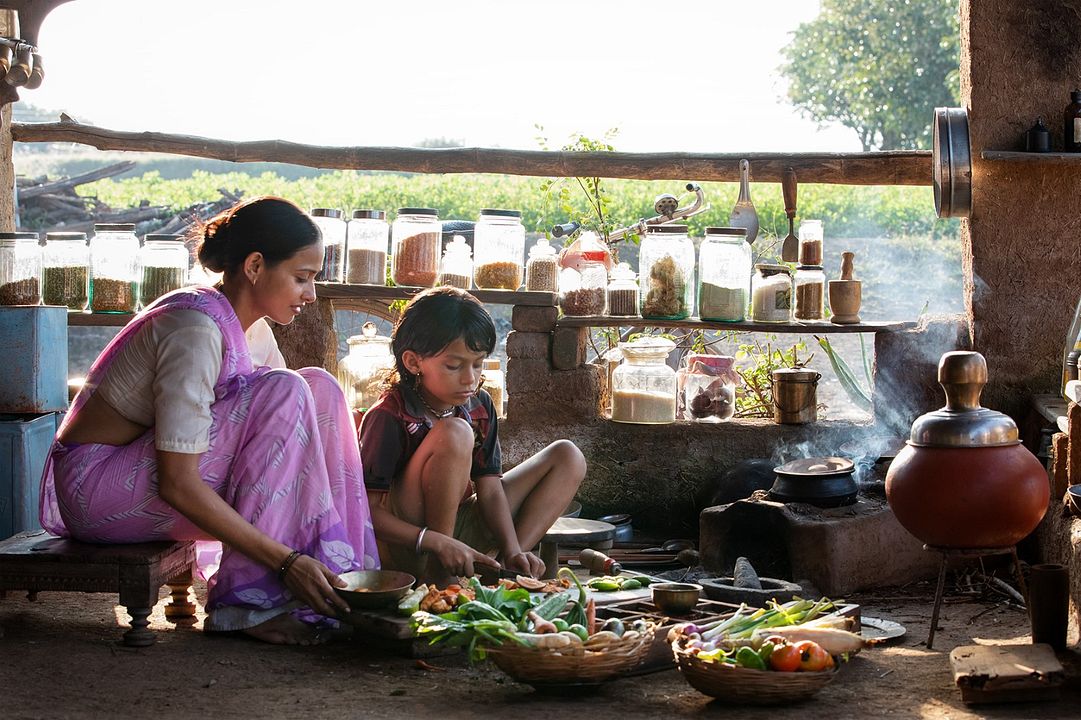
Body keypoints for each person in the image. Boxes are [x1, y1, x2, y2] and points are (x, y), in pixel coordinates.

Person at [39, 196, 379, 645]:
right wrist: (286, 561)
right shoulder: (194, 330)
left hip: (150, 477)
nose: (311, 295)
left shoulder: (255, 329)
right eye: (301, 278)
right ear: (254, 266)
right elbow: (177, 482)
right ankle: (247, 606)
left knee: (319, 388)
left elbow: (290, 445)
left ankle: (344, 585)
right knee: (287, 388)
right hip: (98, 494)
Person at [358, 286, 585, 586]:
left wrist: (513, 548)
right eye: (454, 366)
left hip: (461, 528)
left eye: (478, 364)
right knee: (455, 432)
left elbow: (490, 490)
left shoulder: (478, 405)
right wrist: (437, 542)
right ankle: (441, 573)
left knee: (568, 455)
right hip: (412, 544)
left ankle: (504, 568)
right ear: (413, 362)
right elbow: (367, 513)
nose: (470, 378)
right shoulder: (389, 414)